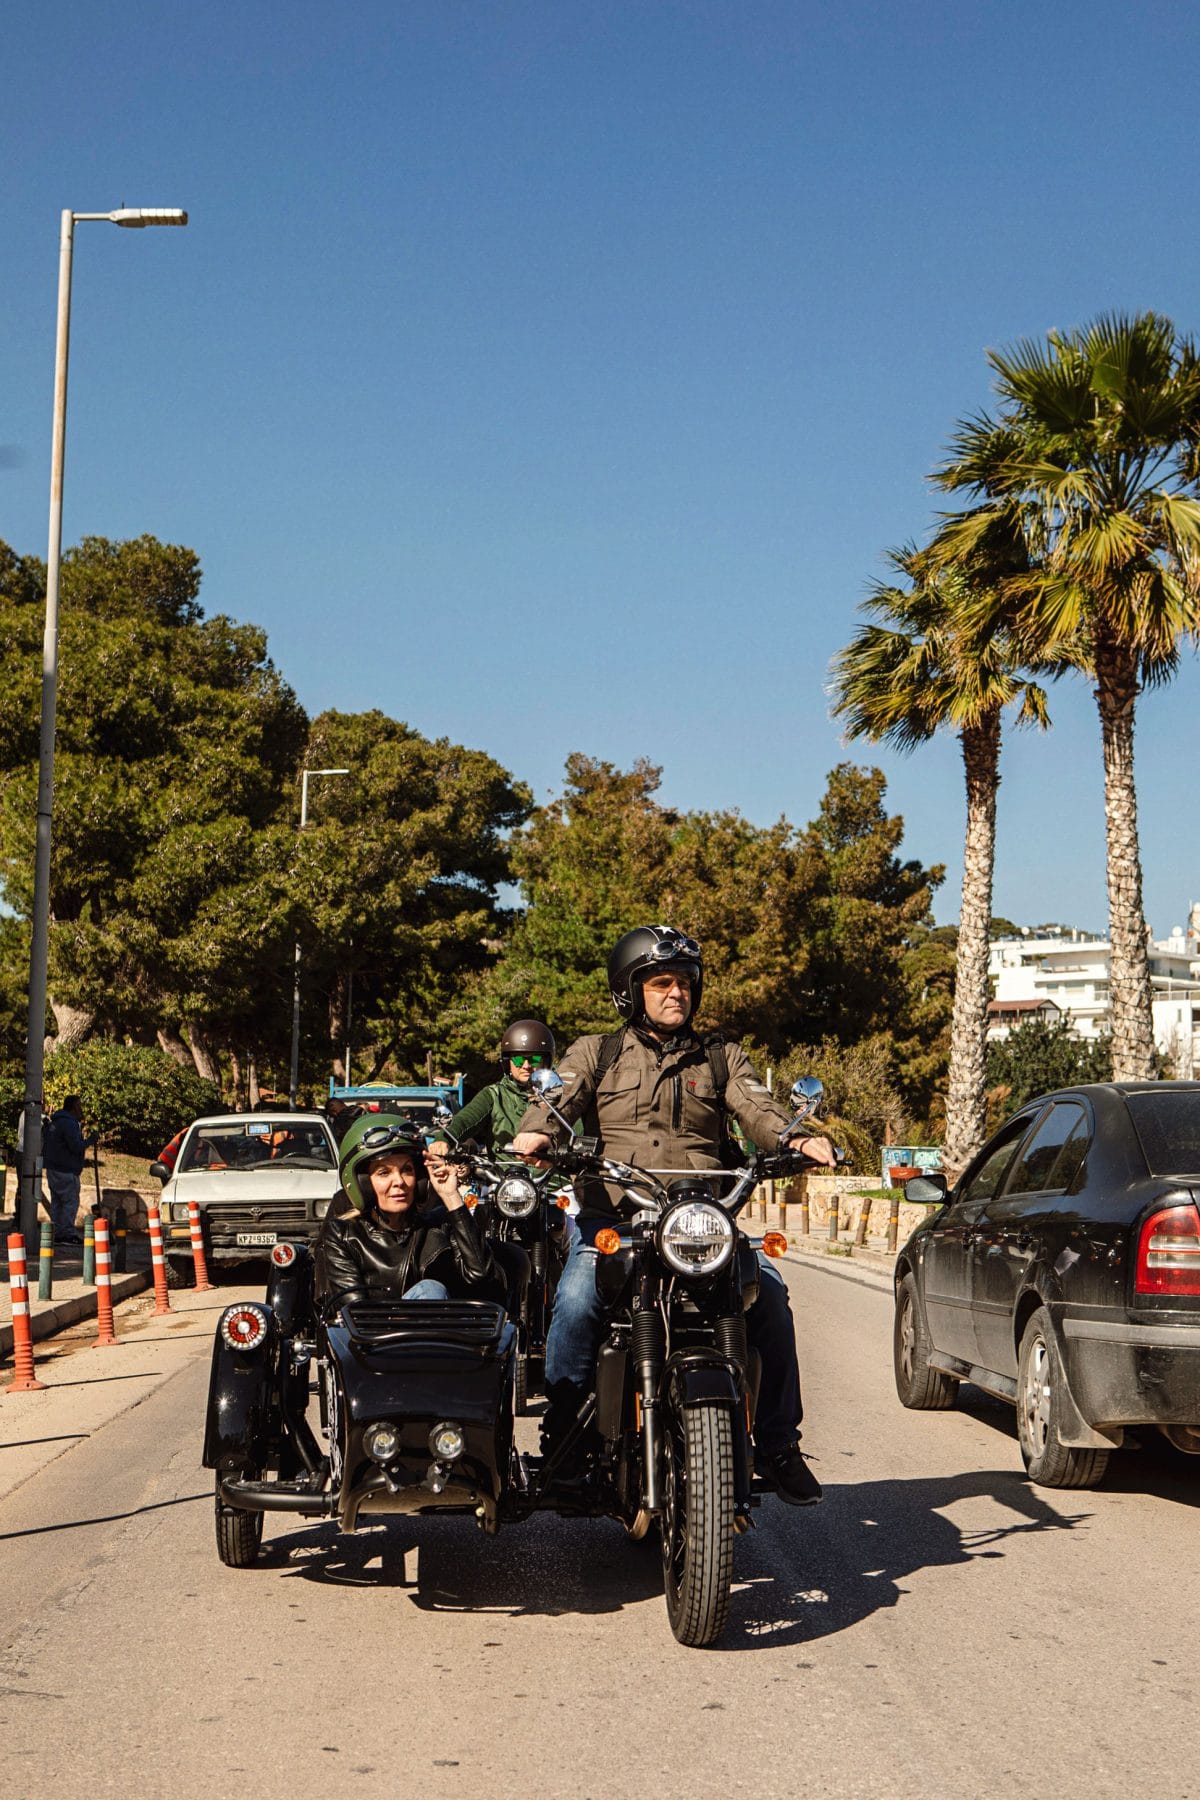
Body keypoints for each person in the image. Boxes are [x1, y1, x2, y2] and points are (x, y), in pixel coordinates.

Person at [511, 924, 836, 1506]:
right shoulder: (597, 1051)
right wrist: (536, 1135)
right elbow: (559, 1099)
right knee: (578, 1298)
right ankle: (563, 1436)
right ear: (630, 991)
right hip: (617, 1216)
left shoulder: (720, 1055)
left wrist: (797, 1137)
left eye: (684, 983)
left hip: (700, 1217)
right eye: (660, 982)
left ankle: (781, 1445)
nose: (675, 994)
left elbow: (756, 1107)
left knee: (770, 1297)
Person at [315, 1113, 503, 1314]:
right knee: (430, 1290)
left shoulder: (439, 1225)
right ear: (363, 1183)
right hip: (376, 1340)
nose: (399, 1182)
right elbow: (355, 1313)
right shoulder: (343, 1235)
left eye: (407, 1170)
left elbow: (482, 1277)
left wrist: (451, 1196)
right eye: (384, 1172)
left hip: (444, 1340)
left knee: (431, 1290)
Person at [440, 1020, 557, 1154]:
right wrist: (444, 1139)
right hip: (502, 1171)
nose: (526, 1066)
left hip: (550, 1172)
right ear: (507, 1063)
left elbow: (575, 1134)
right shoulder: (494, 1094)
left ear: (547, 1061)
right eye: (518, 1060)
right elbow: (465, 1120)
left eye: (534, 1059)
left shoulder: (560, 1095)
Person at [42, 1096, 99, 1246]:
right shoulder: (69, 1124)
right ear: (74, 1107)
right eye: (79, 1106)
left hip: (54, 1168)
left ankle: (58, 1233)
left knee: (57, 1202)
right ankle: (66, 1234)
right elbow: (75, 1146)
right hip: (66, 1170)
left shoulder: (56, 1122)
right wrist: (91, 1140)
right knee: (69, 1202)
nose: (81, 1110)